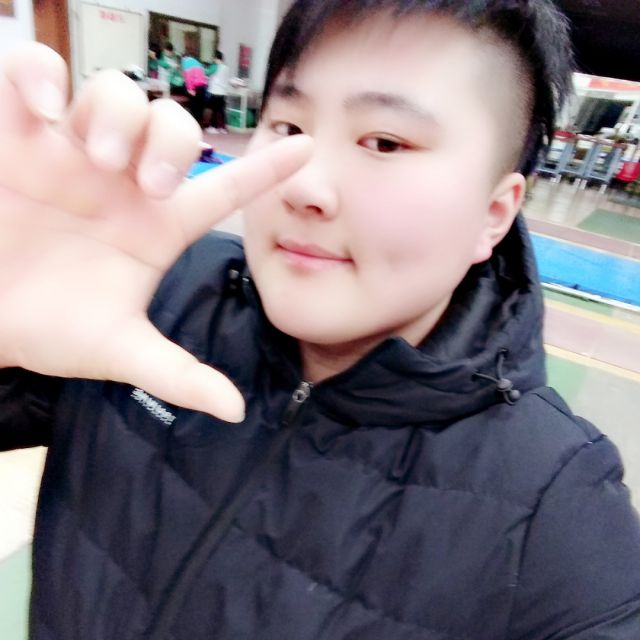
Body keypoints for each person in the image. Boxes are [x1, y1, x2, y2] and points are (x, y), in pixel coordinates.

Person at [1, 2, 639, 639]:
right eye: (288, 126)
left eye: (384, 142)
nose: (305, 186)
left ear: (493, 215)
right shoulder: (148, 293)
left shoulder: (553, 506)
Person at [205, 50, 230, 133]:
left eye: (213, 58)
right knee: (221, 111)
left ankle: (213, 127)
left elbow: (207, 73)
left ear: (215, 58)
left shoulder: (215, 66)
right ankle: (222, 128)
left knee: (214, 110)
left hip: (215, 91)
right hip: (223, 92)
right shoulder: (226, 67)